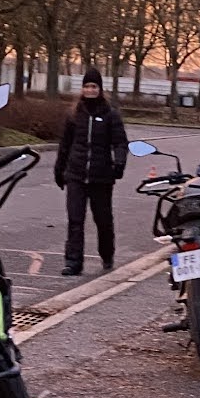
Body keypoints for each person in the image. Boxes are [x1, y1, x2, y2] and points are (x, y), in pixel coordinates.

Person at [54, 66, 128, 275]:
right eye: (87, 86)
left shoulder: (110, 115)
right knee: (75, 220)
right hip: (76, 175)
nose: (90, 90)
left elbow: (120, 143)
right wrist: (59, 170)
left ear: (100, 89)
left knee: (103, 221)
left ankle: (107, 254)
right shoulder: (74, 115)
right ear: (82, 89)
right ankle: (73, 262)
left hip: (101, 177)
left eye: (94, 86)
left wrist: (119, 163)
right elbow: (65, 144)